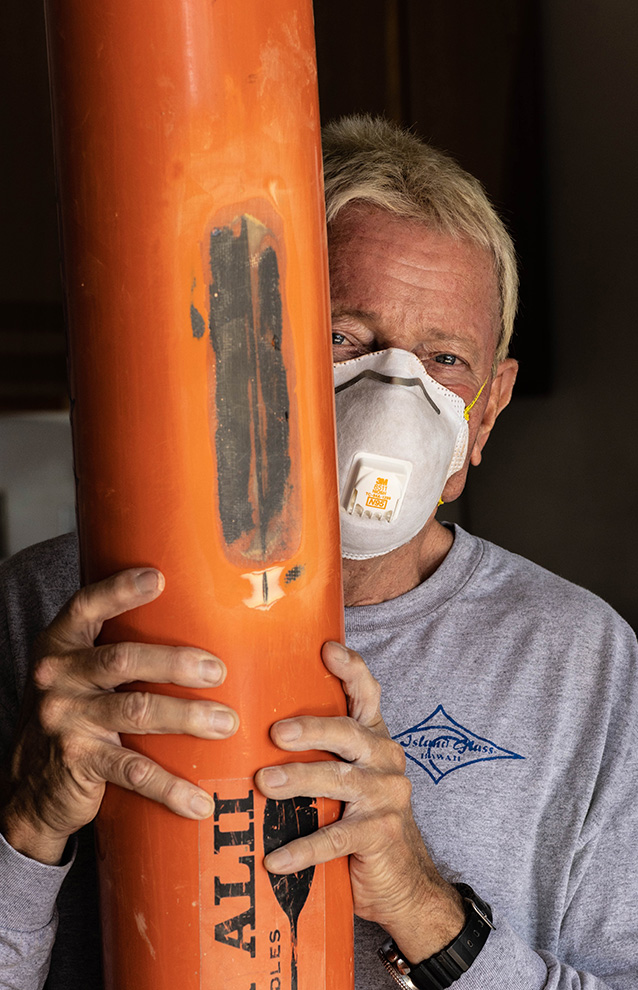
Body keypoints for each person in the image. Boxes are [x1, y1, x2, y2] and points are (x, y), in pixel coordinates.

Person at [1, 115, 637, 990]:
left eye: (444, 359)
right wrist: (26, 834)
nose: (394, 390)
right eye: (346, 337)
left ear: (486, 411)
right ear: (251, 356)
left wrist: (425, 908)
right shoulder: (60, 614)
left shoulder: (578, 660)